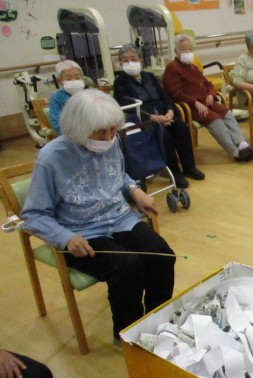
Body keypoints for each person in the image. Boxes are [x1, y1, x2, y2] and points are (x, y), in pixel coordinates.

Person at [21, 89, 176, 343]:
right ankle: (128, 336)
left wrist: (135, 191)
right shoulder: (51, 158)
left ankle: (157, 323)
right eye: (101, 132)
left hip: (119, 218)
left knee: (162, 256)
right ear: (78, 128)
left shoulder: (111, 142)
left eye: (113, 130)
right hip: (80, 232)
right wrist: (65, 237)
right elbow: (34, 214)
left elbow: (119, 175)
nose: (109, 138)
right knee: (127, 268)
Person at [113, 44, 206, 189]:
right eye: (125, 60)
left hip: (164, 113)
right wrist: (153, 118)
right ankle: (174, 172)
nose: (130, 62)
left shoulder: (150, 77)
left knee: (181, 127)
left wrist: (170, 111)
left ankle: (189, 167)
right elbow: (127, 107)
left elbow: (165, 96)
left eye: (133, 58)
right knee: (164, 134)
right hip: (144, 120)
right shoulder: (120, 83)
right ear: (121, 63)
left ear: (141, 61)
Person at [162, 35, 253, 164]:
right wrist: (195, 103)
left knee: (227, 113)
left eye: (190, 49)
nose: (188, 52)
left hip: (206, 102)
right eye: (184, 49)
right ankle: (236, 153)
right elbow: (175, 93)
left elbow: (208, 84)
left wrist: (211, 94)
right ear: (176, 51)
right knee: (216, 120)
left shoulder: (193, 67)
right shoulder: (172, 68)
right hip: (190, 107)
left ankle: (243, 145)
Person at [49, 60, 86, 135]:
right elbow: (58, 126)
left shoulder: (89, 95)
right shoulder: (56, 98)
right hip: (71, 136)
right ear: (59, 81)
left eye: (77, 77)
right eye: (68, 79)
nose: (74, 81)